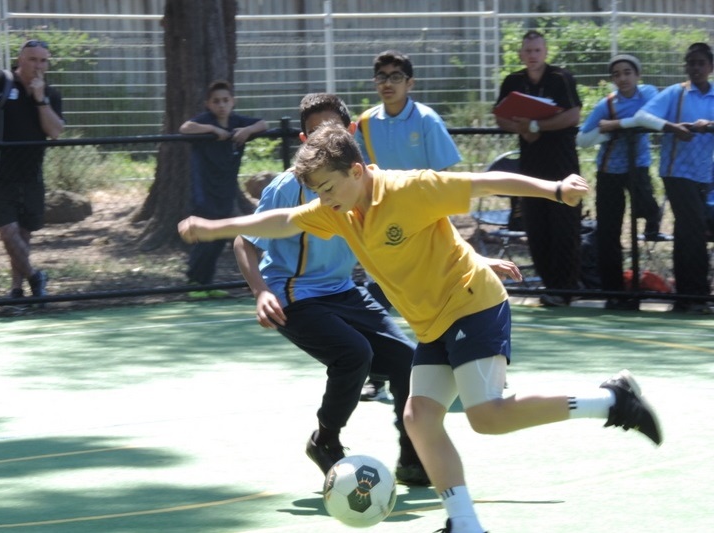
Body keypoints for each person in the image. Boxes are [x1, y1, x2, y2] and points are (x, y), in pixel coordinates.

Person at [178, 124, 662, 533]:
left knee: (486, 417)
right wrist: (216, 228)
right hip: (433, 323)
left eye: (328, 187)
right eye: (318, 193)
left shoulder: (411, 189)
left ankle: (612, 400)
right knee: (419, 417)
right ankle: (465, 523)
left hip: (472, 304)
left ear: (357, 171)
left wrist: (555, 190)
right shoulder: (339, 212)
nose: (323, 200)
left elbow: (484, 182)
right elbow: (282, 219)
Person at [233, 93, 430, 485]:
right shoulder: (289, 186)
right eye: (312, 135)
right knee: (354, 353)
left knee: (410, 362)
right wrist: (260, 292)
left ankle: (412, 455)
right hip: (294, 295)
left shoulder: (366, 181)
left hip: (343, 291)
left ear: (350, 132)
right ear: (304, 142)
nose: (322, 141)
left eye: (331, 131)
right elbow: (245, 241)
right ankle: (326, 441)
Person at [355, 49, 463, 400]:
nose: (388, 83)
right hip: (384, 231)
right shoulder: (366, 123)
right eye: (382, 76)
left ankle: (476, 367)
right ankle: (378, 376)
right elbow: (360, 177)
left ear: (410, 83)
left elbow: (444, 179)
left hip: (428, 230)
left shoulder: (427, 121)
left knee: (448, 302)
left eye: (396, 77)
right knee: (373, 304)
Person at [0, 39, 64, 300]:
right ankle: (35, 276)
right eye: (32, 59)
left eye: (43, 60)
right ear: (21, 59)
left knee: (23, 236)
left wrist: (40, 100)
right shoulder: (1, 81)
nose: (38, 65)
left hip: (31, 175)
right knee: (9, 234)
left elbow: (54, 131)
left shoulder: (50, 94)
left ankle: (17, 290)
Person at [495, 30, 583, 307]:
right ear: (521, 53)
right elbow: (501, 117)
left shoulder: (561, 78)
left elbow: (572, 114)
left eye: (537, 50)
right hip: (530, 168)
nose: (532, 55)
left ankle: (565, 289)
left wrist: (538, 125)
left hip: (562, 164)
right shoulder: (513, 81)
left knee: (564, 227)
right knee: (536, 227)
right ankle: (549, 287)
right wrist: (522, 127)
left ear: (545, 52)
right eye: (527, 50)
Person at [576, 54, 662, 311]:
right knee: (610, 232)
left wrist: (617, 124)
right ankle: (614, 292)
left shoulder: (649, 94)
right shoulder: (606, 104)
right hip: (610, 171)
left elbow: (649, 120)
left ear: (638, 75)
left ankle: (653, 219)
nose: (623, 78)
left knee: (647, 206)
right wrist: (608, 132)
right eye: (617, 74)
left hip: (639, 168)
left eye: (628, 72)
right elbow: (582, 140)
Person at [633, 42, 714, 314]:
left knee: (685, 233)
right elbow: (642, 116)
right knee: (695, 227)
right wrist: (671, 127)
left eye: (701, 63)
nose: (696, 68)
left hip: (704, 175)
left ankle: (683, 298)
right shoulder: (675, 94)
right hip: (676, 173)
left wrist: (709, 126)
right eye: (691, 63)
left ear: (710, 67)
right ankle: (699, 295)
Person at [179, 79, 268, 298]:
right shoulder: (205, 122)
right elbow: (185, 128)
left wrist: (247, 131)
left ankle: (206, 284)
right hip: (203, 191)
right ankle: (194, 283)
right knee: (205, 238)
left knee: (219, 238)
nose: (221, 105)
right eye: (216, 101)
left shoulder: (237, 121)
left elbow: (263, 124)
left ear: (233, 102)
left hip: (225, 191)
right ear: (208, 104)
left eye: (226, 100)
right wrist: (211, 129)